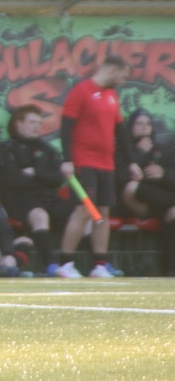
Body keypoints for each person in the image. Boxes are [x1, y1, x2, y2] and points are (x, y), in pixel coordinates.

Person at [55, 55, 133, 279]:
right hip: (84, 163)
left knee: (103, 213)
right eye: (123, 76)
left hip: (106, 164)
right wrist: (67, 159)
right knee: (84, 211)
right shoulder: (81, 91)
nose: (123, 81)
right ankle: (65, 263)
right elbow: (66, 126)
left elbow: (121, 130)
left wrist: (131, 162)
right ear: (113, 70)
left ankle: (99, 264)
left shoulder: (112, 96)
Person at [0, 104, 74, 275]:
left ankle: (79, 264)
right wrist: (43, 176)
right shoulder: (6, 148)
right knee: (39, 214)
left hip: (48, 197)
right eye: (32, 122)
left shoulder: (47, 149)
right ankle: (50, 265)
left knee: (78, 214)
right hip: (18, 199)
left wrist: (34, 172)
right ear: (19, 123)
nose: (37, 126)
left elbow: (58, 179)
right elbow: (12, 179)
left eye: (39, 123)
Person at [115, 109, 175, 275]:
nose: (144, 127)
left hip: (161, 203)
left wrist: (163, 175)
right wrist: (140, 153)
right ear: (130, 127)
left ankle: (170, 269)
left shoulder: (164, 150)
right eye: (139, 123)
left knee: (173, 213)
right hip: (134, 204)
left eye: (148, 124)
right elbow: (119, 178)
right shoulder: (122, 150)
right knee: (132, 187)